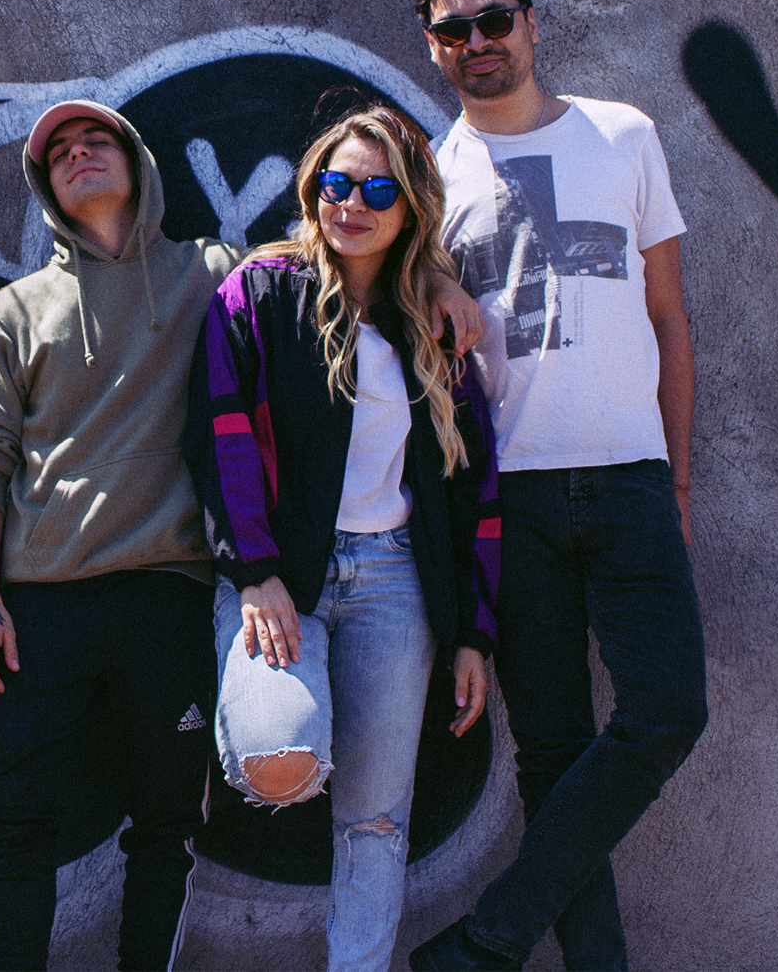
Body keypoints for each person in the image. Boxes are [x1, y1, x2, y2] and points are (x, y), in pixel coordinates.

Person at [0, 100, 488, 971]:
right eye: (59, 152)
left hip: (178, 587)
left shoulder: (210, 270)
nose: (79, 154)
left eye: (97, 140)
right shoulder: (16, 310)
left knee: (179, 822)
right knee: (20, 816)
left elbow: (345, 266)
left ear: (138, 162)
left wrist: (437, 280)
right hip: (50, 597)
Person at [407, 0, 707, 972]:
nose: (478, 41)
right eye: (454, 30)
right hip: (509, 498)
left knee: (668, 711)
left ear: (532, 25)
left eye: (494, 19)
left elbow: (668, 318)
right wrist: (432, 282)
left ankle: (486, 941)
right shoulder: (427, 175)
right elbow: (381, 287)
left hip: (628, 476)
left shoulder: (623, 135)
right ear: (434, 49)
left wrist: (675, 476)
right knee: (552, 750)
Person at [186, 104, 501, 972]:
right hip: (281, 578)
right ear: (312, 189)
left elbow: (472, 484)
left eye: (377, 191)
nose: (351, 204)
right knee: (281, 759)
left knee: (376, 817)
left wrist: (473, 632)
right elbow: (219, 433)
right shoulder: (260, 292)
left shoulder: (431, 323)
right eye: (336, 184)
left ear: (411, 207)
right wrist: (255, 571)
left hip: (397, 584)